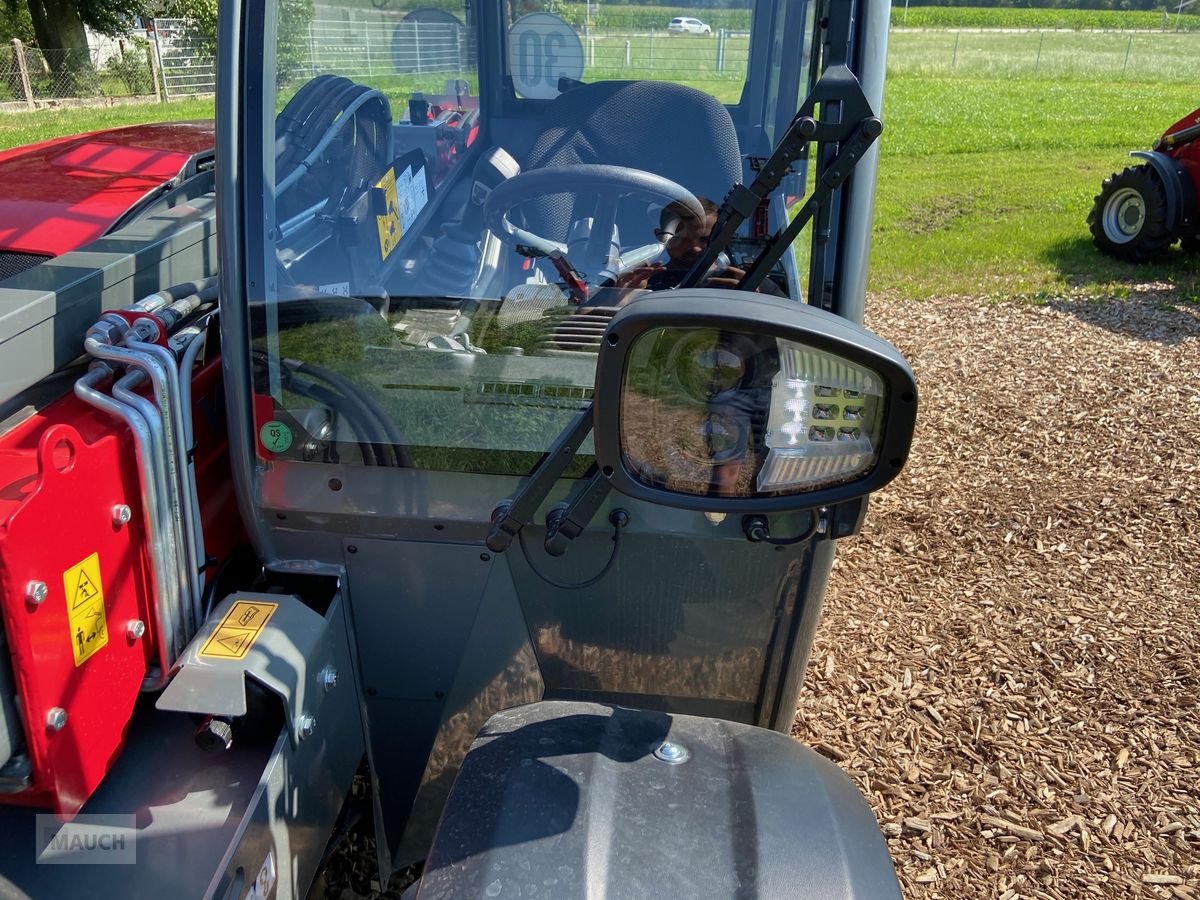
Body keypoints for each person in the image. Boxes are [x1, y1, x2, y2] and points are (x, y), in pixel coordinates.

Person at [613, 197, 786, 296]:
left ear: (722, 238)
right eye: (682, 239)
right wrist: (622, 302)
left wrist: (757, 307)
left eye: (705, 240)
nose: (695, 248)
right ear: (661, 237)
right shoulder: (639, 284)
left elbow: (793, 337)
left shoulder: (747, 284)